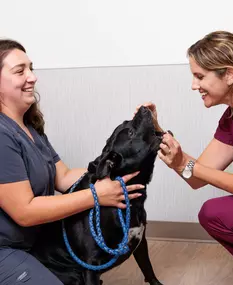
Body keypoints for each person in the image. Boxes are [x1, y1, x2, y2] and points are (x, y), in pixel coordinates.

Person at [137, 31, 233, 284]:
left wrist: (185, 163)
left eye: (200, 76)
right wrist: (158, 135)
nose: (194, 86)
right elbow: (197, 177)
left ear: (228, 74)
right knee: (213, 214)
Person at [0, 39, 144, 285]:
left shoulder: (29, 128)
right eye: (20, 71)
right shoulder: (2, 136)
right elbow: (25, 212)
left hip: (36, 241)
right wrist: (97, 195)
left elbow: (64, 176)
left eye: (31, 68)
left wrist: (119, 170)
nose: (32, 77)